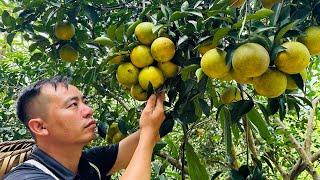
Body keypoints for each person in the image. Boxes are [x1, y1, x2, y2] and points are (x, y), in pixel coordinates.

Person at [4, 76, 166, 180]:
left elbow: (148, 134)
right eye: (73, 105)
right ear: (40, 127)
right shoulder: (25, 177)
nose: (89, 111)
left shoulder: (88, 165)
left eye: (85, 102)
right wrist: (148, 132)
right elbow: (147, 135)